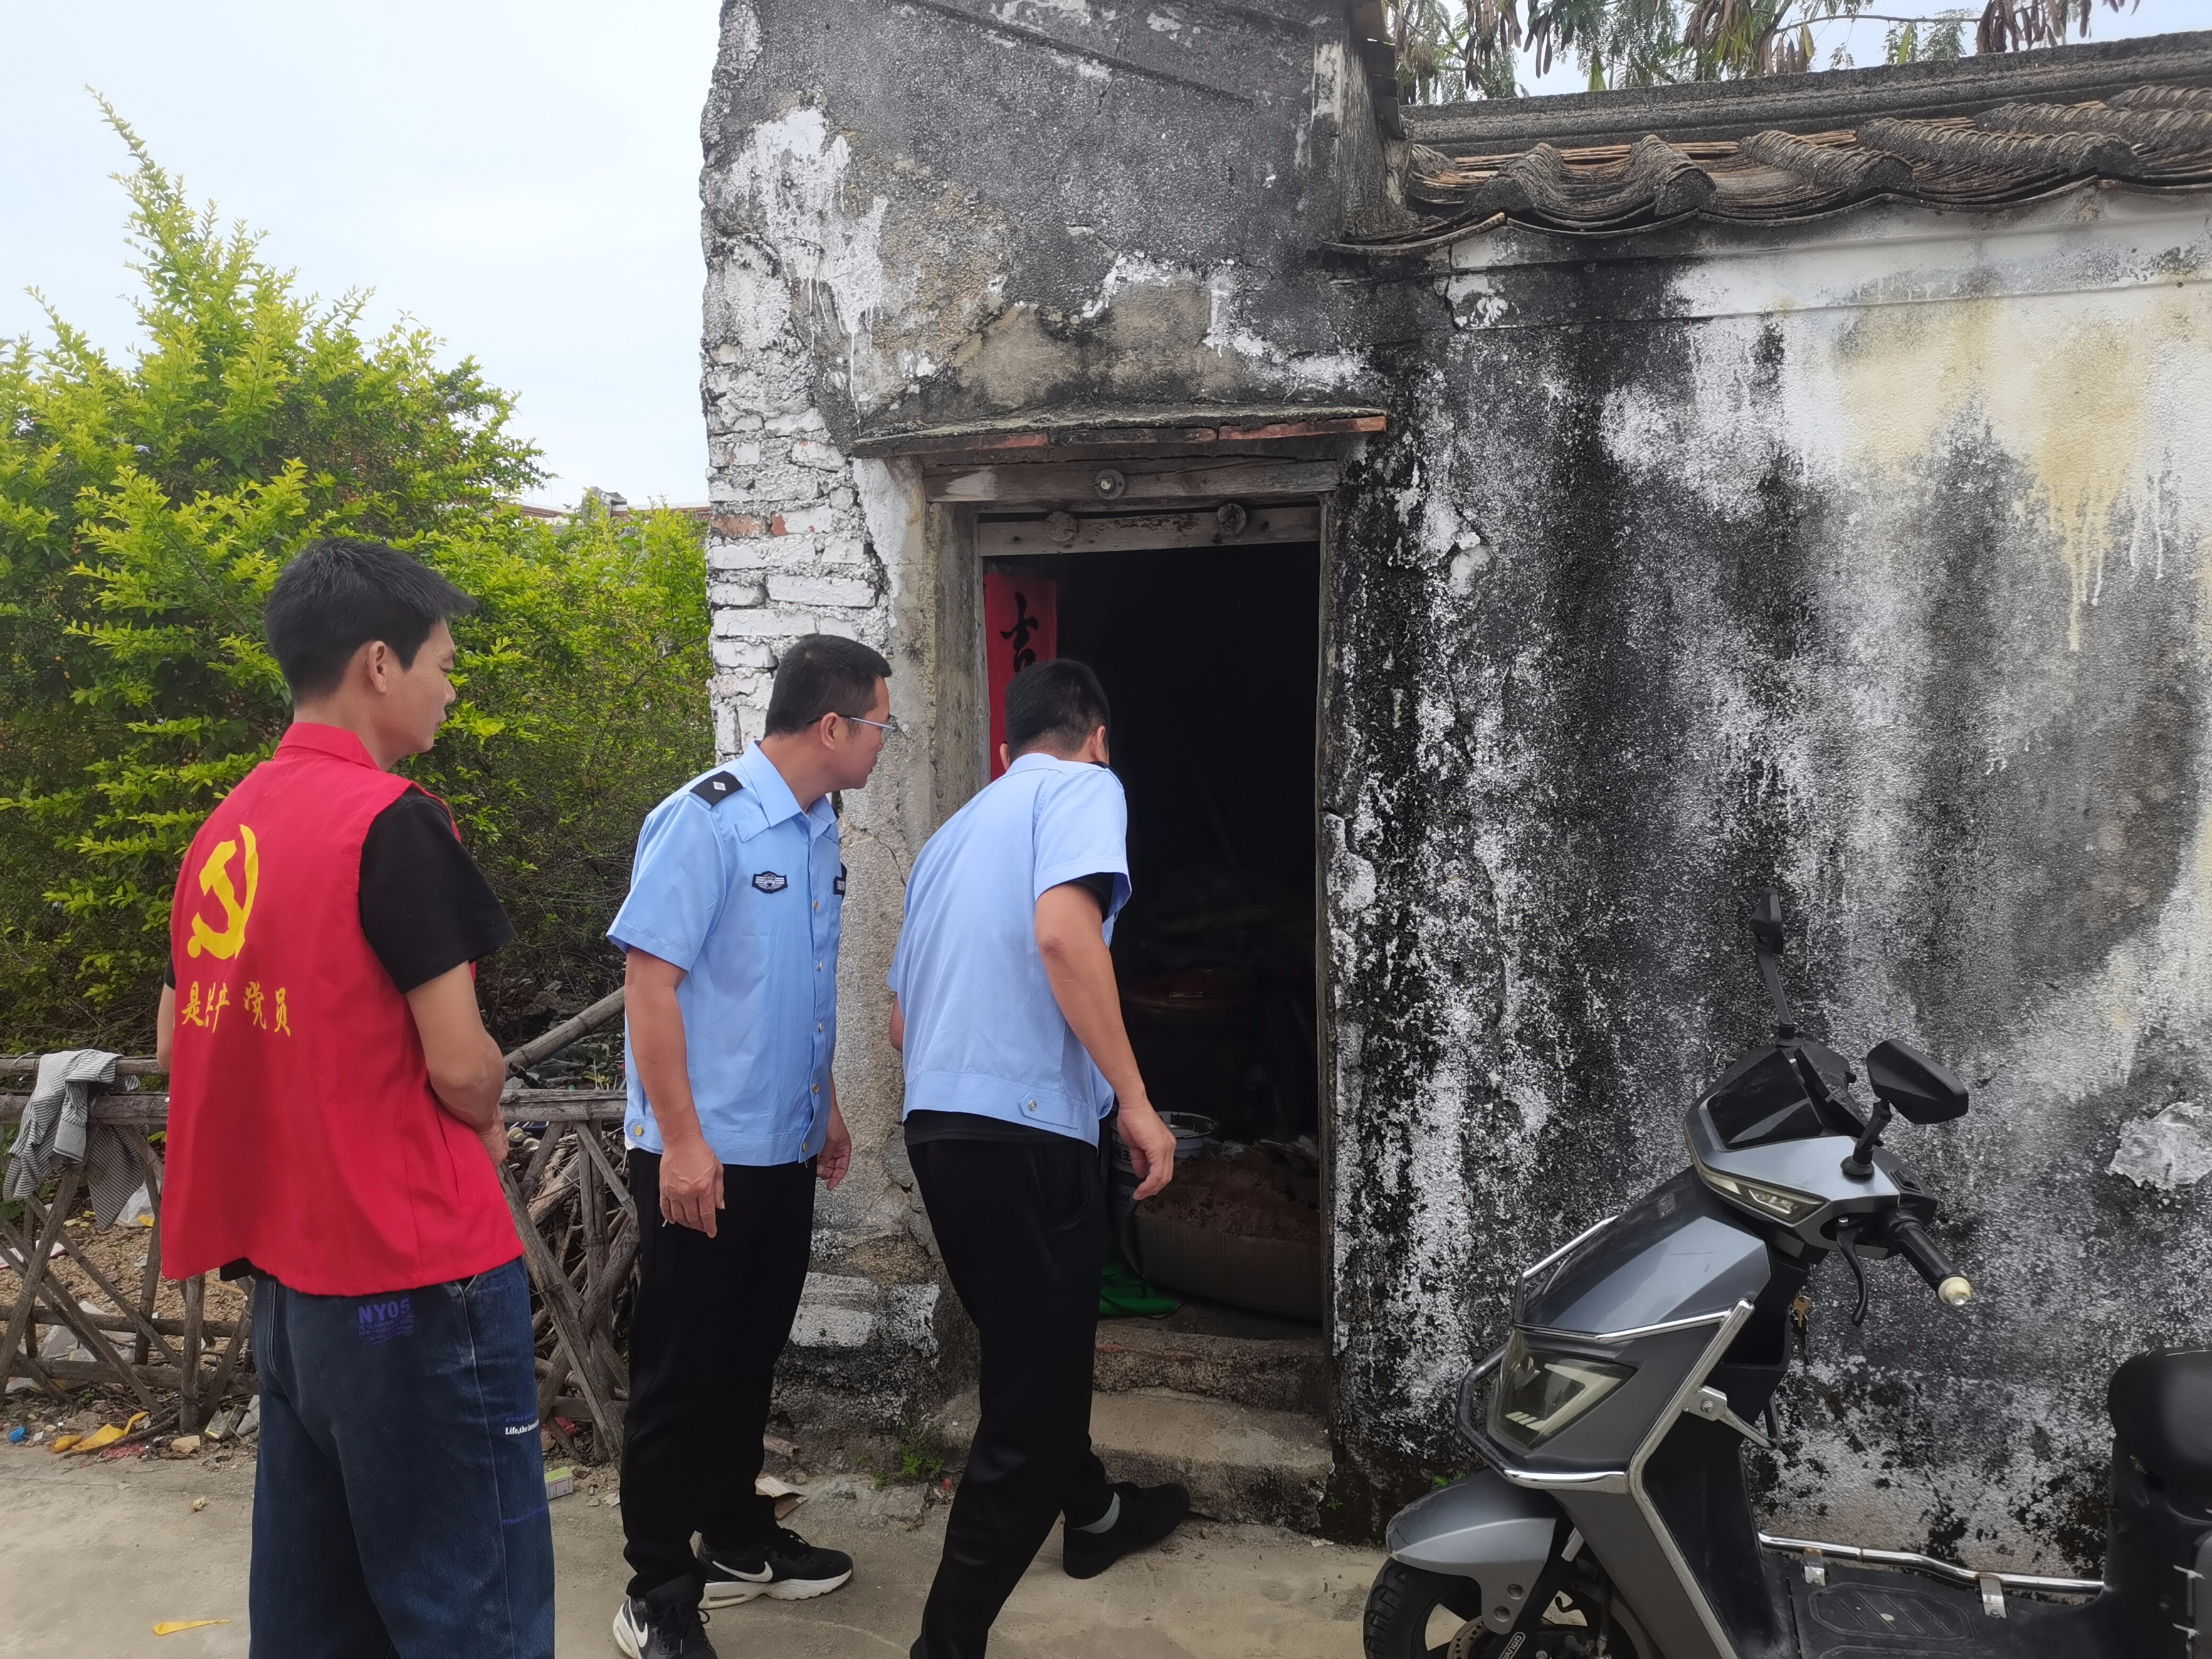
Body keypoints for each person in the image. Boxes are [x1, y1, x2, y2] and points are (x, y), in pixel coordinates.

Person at [157, 537, 550, 1657]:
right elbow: (461, 1066)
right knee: (474, 1609)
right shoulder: (391, 821)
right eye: (443, 663)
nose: (451, 687)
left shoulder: (224, 829)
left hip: (295, 1290)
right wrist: (489, 1113)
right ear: (380, 664)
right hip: (411, 1276)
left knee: (317, 1615)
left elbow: (178, 1040)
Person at [887, 657, 1188, 1659]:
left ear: (1004, 748)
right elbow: (1065, 936)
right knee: (1032, 1407)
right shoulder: (1086, 787)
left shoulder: (949, 837)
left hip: (939, 1127)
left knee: (1033, 1357)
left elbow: (900, 1022)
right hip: (1025, 1131)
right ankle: (946, 1643)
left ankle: (1095, 1515)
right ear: (1096, 738)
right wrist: (1135, 1101)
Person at [607, 633, 894, 1659]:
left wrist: (826, 1104)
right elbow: (651, 986)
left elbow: (798, 984)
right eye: (881, 725)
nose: (885, 743)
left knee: (748, 1352)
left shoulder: (816, 826)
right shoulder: (706, 820)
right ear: (832, 726)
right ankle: (656, 1586)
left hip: (782, 1145)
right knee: (682, 1369)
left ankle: (732, 1533)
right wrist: (683, 1144)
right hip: (704, 1154)